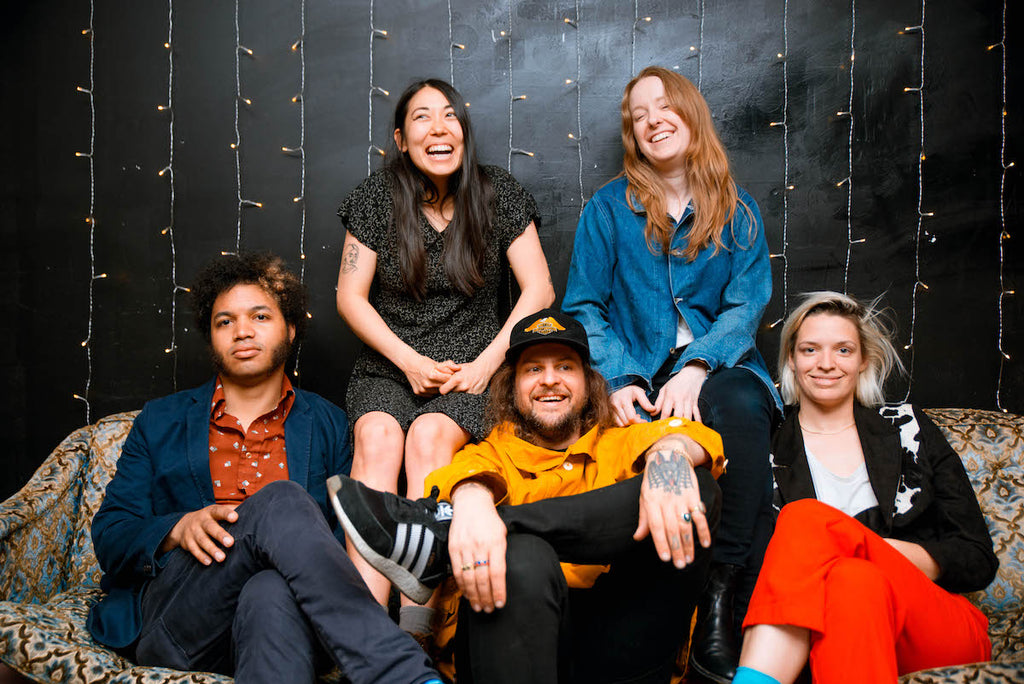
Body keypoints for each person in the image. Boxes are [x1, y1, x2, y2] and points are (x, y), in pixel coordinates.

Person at [87, 253, 443, 684]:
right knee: (282, 500)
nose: (242, 331)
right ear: (211, 336)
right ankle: (401, 674)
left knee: (268, 588)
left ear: (291, 329)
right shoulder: (160, 420)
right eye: (224, 322)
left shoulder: (330, 424)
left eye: (259, 316)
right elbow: (111, 535)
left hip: (283, 618)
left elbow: (338, 538)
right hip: (181, 618)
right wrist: (178, 528)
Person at [329, 308, 726, 684]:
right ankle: (464, 530)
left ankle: (440, 536)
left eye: (565, 367)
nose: (549, 379)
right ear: (512, 387)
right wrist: (471, 497)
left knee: (696, 486)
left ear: (588, 384)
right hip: (510, 650)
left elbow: (696, 439)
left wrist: (670, 454)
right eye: (533, 369)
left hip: (620, 652)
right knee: (523, 557)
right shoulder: (486, 454)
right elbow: (459, 478)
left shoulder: (619, 441)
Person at [561, 65, 781, 682]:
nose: (652, 120)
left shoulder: (738, 211)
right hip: (637, 374)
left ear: (689, 112)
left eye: (664, 107)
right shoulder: (608, 209)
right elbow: (582, 306)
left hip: (724, 366)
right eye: (638, 115)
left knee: (738, 403)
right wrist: (622, 378)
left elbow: (746, 305)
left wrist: (699, 365)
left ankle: (721, 596)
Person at [336, 78, 555, 619]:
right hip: (391, 365)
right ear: (401, 139)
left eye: (450, 116)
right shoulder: (375, 197)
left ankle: (418, 631)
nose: (439, 127)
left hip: (472, 368)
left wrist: (487, 365)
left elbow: (541, 290)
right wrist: (407, 361)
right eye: (422, 118)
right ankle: (364, 633)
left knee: (431, 438)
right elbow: (349, 296)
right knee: (379, 437)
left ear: (463, 131)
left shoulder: (496, 192)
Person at [733, 291, 997, 684]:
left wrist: (868, 549)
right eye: (810, 350)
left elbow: (976, 558)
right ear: (791, 359)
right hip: (834, 631)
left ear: (863, 361)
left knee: (806, 520)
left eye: (843, 349)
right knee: (852, 581)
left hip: (932, 629)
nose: (826, 364)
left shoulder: (908, 430)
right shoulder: (765, 442)